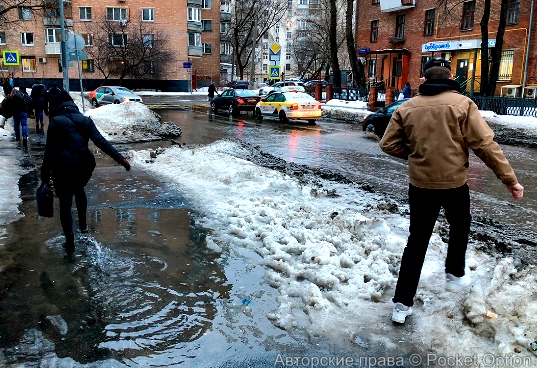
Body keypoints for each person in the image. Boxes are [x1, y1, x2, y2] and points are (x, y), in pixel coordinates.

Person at [379, 58, 524, 324]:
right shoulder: (462, 105)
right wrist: (509, 180)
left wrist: (415, 156)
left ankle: (401, 304)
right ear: (449, 79)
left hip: (420, 185)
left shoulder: (408, 107)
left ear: (425, 80)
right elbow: (485, 145)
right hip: (454, 184)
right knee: (460, 224)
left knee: (417, 242)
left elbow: (387, 144)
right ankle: (454, 271)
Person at [41, 91, 131, 250]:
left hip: (63, 167)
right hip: (84, 165)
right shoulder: (85, 120)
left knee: (65, 202)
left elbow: (50, 151)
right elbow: (101, 142)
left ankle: (69, 241)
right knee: (79, 189)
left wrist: (44, 176)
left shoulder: (56, 122)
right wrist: (120, 159)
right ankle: (83, 226)